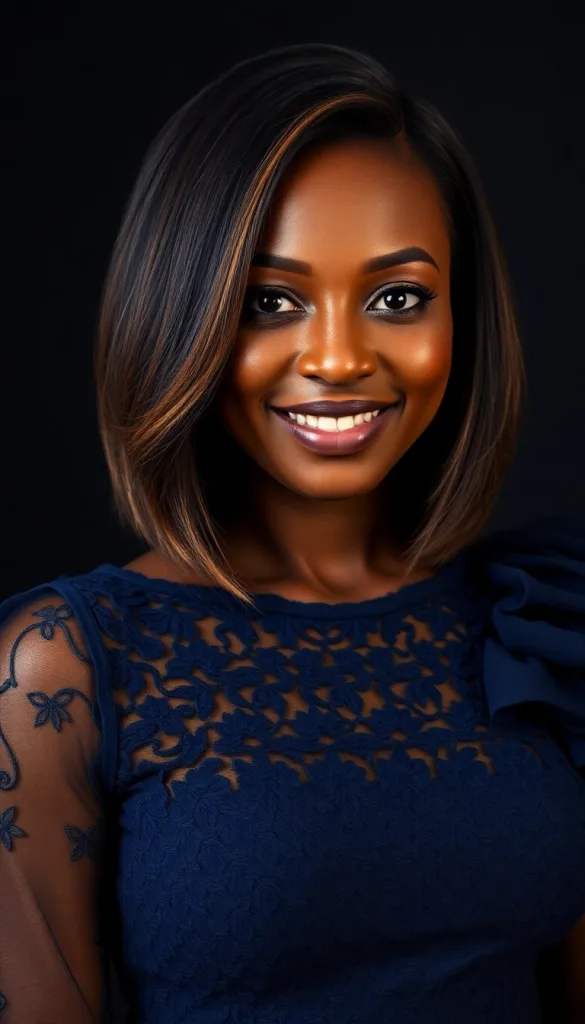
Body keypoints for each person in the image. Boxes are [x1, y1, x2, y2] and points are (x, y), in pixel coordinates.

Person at [1, 42, 584, 1024]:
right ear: (182, 316)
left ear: (464, 316)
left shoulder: (542, 620)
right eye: (271, 301)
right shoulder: (62, 673)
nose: (340, 356)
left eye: (397, 298)